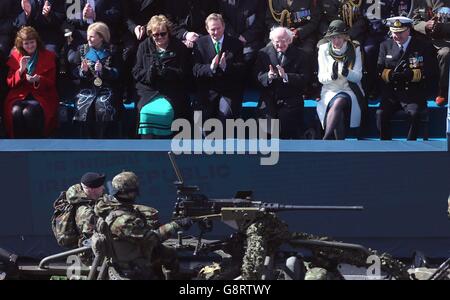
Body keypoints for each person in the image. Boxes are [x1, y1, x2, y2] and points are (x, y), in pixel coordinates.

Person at [94, 171, 193, 280]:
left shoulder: (105, 205)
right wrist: (177, 225)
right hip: (132, 268)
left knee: (168, 253)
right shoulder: (123, 221)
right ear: (127, 193)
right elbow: (152, 238)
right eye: (134, 191)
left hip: (130, 251)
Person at [377, 16, 438, 140]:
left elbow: (430, 70)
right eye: (394, 32)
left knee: (414, 114)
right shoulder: (385, 45)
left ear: (408, 30)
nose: (396, 36)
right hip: (392, 92)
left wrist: (411, 75)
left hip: (412, 92)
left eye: (400, 33)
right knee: (380, 114)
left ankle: (411, 145)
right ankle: (385, 145)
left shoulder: (422, 46)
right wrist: (390, 75)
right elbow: (379, 69)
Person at [132, 15, 192, 139]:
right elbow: (136, 71)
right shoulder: (144, 46)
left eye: (163, 34)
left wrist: (167, 72)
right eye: (155, 35)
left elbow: (185, 72)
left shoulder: (179, 47)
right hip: (149, 89)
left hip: (171, 89)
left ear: (168, 32)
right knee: (144, 113)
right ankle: (146, 149)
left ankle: (167, 146)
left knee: (166, 113)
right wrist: (150, 72)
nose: (159, 37)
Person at [255, 26, 311, 139]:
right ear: (272, 41)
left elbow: (305, 79)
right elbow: (257, 76)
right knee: (266, 122)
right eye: (277, 41)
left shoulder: (301, 55)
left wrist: (286, 76)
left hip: (291, 98)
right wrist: (268, 77)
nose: (280, 44)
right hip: (270, 97)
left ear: (290, 40)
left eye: (283, 41)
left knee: (286, 122)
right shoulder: (263, 54)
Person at [3, 26, 58, 138]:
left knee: (29, 111)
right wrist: (21, 70)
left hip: (42, 95)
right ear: (21, 44)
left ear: (36, 41)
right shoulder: (16, 56)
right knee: (15, 111)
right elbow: (10, 82)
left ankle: (35, 146)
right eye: (26, 43)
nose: (30, 46)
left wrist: (38, 79)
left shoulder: (48, 55)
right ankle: (18, 147)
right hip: (20, 94)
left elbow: (51, 83)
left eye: (32, 42)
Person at [71, 22, 122, 138]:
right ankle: (87, 142)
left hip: (107, 88)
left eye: (92, 36)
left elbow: (118, 72)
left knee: (103, 107)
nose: (89, 38)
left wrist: (103, 70)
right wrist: (83, 71)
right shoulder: (82, 50)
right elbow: (74, 71)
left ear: (101, 37)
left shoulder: (112, 50)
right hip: (87, 87)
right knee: (83, 107)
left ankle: (103, 141)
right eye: (88, 35)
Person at [317, 20, 365, 140]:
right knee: (339, 113)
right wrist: (331, 76)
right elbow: (321, 78)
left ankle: (326, 138)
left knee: (339, 101)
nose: (336, 41)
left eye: (338, 37)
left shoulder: (355, 49)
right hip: (330, 90)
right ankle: (339, 143)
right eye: (332, 38)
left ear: (345, 37)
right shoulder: (323, 49)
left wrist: (347, 73)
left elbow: (358, 77)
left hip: (349, 89)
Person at [192, 13, 245, 122]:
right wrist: (211, 68)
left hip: (228, 90)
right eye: (212, 29)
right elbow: (196, 69)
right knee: (201, 118)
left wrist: (226, 67)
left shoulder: (236, 43)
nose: (216, 32)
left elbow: (242, 69)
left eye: (218, 28)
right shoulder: (199, 44)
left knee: (226, 116)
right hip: (208, 89)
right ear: (207, 29)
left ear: (224, 27)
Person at [412, 0, 450, 106]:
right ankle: (415, 87)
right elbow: (413, 20)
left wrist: (441, 26)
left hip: (444, 40)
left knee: (445, 53)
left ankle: (443, 90)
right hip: (423, 38)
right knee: (414, 51)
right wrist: (425, 25)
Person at [66, 172, 106, 247]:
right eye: (100, 186)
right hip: (91, 255)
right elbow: (91, 239)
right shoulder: (86, 212)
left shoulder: (90, 201)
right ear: (92, 190)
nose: (103, 188)